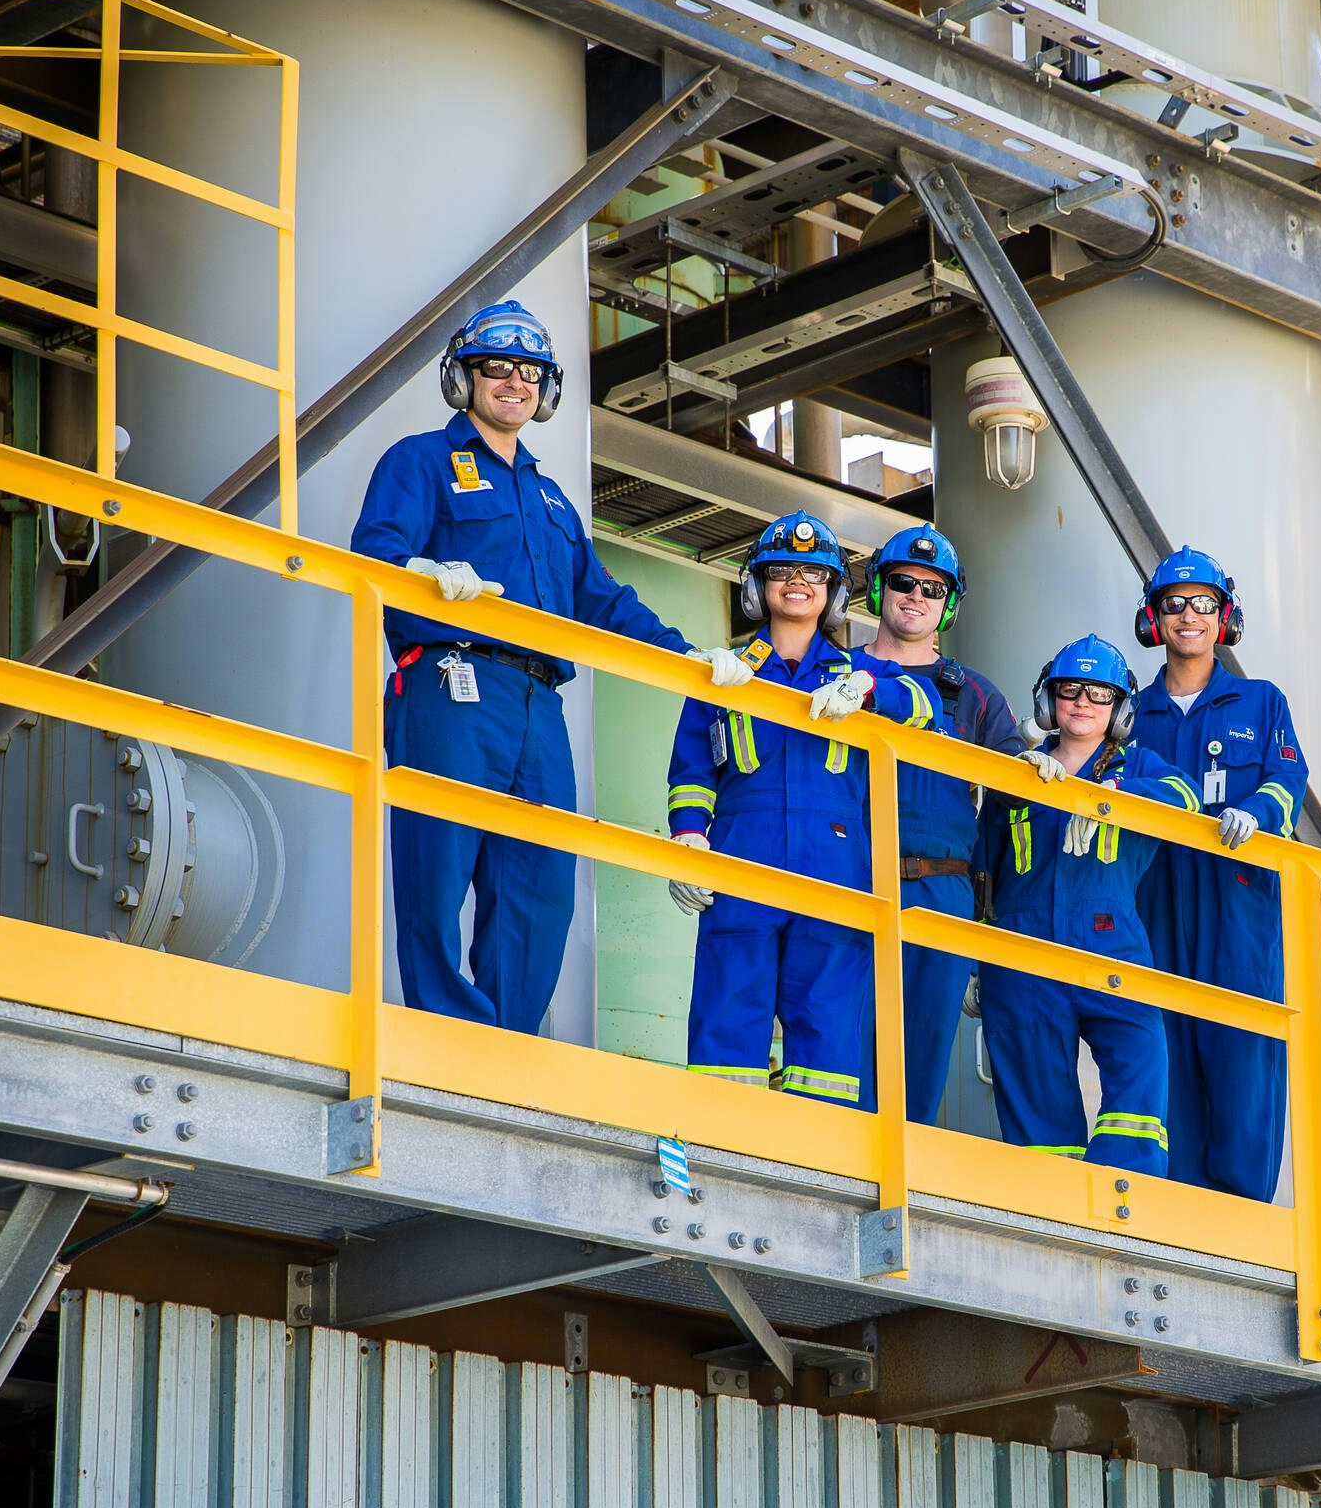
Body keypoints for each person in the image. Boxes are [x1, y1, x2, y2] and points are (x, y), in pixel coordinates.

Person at [353, 299, 756, 1034]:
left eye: (531, 371)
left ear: (547, 388)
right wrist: (421, 571)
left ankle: (506, 1043)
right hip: (452, 683)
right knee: (437, 865)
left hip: (539, 704)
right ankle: (444, 1032)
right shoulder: (420, 460)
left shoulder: (551, 499)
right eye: (496, 367)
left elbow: (602, 599)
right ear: (463, 379)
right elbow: (375, 551)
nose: (515, 382)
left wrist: (686, 652)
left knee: (539, 884)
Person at [667, 512, 933, 1106]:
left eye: (814, 573)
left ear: (833, 592)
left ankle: (822, 1152)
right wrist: (688, 838)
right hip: (740, 860)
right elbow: (691, 772)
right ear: (756, 585)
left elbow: (924, 704)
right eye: (781, 570)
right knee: (727, 1016)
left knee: (827, 1027)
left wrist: (868, 692)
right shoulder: (723, 671)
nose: (797, 582)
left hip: (834, 870)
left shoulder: (861, 672)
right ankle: (721, 1142)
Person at [850, 523, 1063, 1121]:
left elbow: (1012, 792)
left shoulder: (974, 694)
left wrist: (1033, 767)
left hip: (941, 893)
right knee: (838, 1052)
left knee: (919, 1067)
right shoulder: (835, 671)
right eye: (904, 582)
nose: (916, 597)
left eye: (933, 589)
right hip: (849, 877)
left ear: (949, 605)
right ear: (879, 589)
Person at [974, 634, 1205, 1175]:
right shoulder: (1018, 773)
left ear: (1120, 709)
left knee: (1141, 1059)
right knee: (1034, 1099)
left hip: (1111, 942)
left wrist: (1113, 799)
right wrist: (974, 959)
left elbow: (1187, 798)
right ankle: (1049, 1199)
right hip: (1021, 952)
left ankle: (1124, 1184)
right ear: (1048, 700)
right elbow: (982, 868)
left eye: (1100, 694)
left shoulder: (1141, 766)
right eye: (1070, 690)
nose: (1083, 702)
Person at [1128, 546, 1305, 1202]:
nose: (1189, 616)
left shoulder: (1260, 701)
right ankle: (1177, 1212)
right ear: (1154, 618)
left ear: (1224, 616)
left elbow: (1289, 778)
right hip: (1150, 905)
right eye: (1174, 604)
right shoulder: (1131, 713)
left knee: (1243, 1057)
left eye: (1203, 603)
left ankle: (1246, 1216)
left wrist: (1258, 813)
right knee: (1162, 1053)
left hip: (1236, 911)